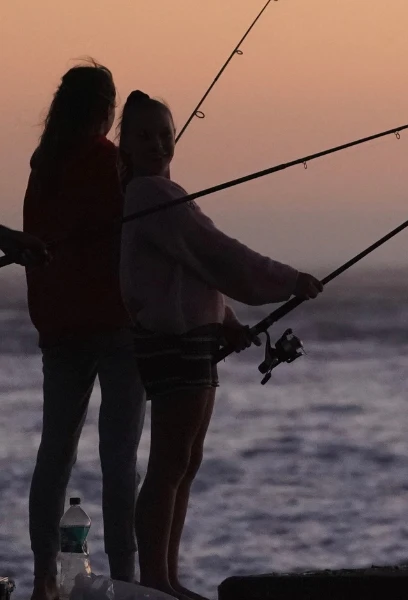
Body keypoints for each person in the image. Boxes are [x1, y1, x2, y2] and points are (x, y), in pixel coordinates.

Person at [117, 90, 323, 600]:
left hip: (195, 337)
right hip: (173, 342)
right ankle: (156, 583)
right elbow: (215, 251)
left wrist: (227, 319)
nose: (157, 143)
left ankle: (168, 578)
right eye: (143, 135)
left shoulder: (163, 196)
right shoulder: (150, 195)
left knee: (187, 460)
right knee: (170, 462)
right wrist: (286, 279)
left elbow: (192, 272)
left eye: (164, 133)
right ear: (125, 144)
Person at [23, 62, 146, 600]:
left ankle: (44, 577)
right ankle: (125, 577)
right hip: (116, 325)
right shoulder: (109, 163)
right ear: (105, 108)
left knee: (55, 453)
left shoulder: (43, 166)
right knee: (119, 458)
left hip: (58, 328)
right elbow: (141, 232)